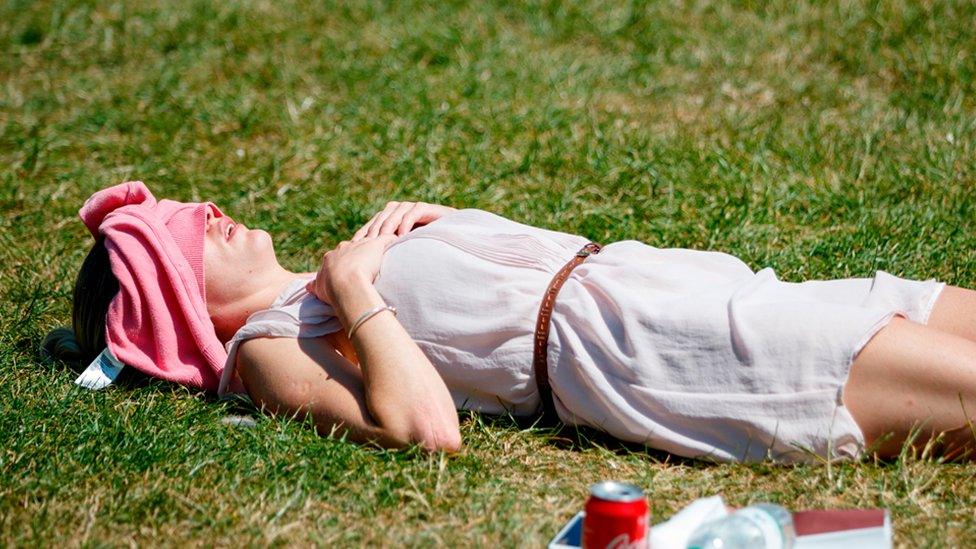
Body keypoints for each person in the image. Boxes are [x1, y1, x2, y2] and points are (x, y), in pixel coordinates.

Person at [43, 181, 976, 463]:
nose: (204, 209)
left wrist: (440, 231)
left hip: (685, 284)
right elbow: (423, 428)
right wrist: (358, 285)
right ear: (175, 301)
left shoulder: (342, 260)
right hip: (666, 352)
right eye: (182, 233)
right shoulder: (268, 348)